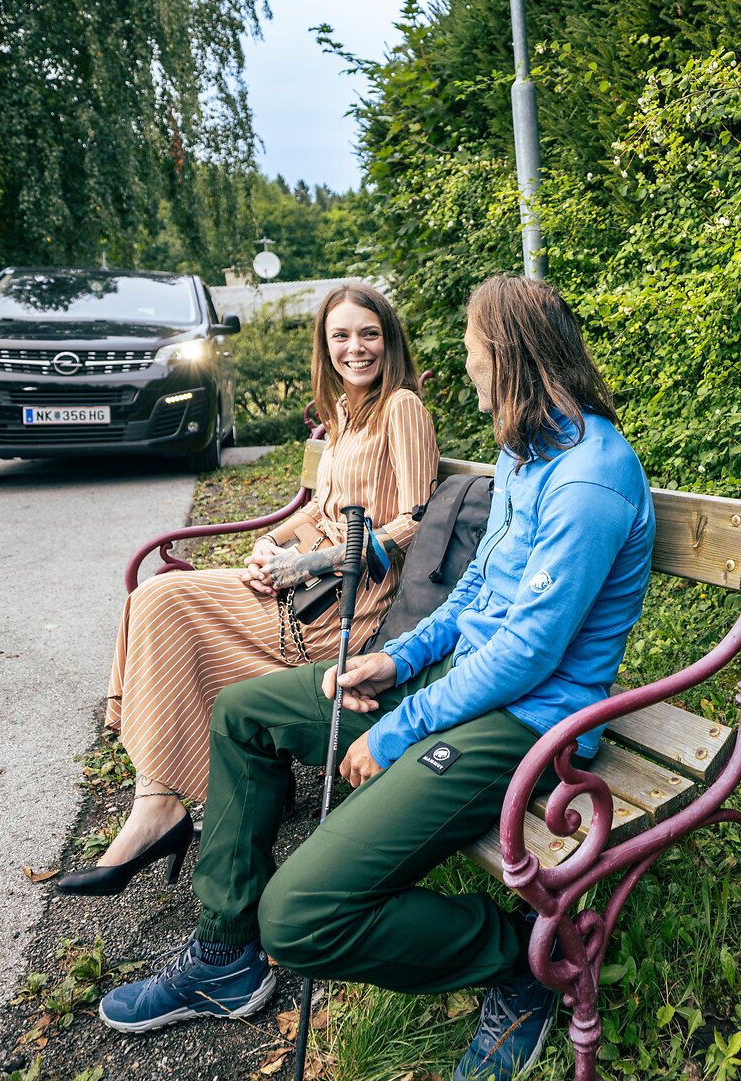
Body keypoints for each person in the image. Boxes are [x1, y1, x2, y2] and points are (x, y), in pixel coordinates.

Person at [97, 275, 656, 1081]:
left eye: (472, 355)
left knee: (300, 915)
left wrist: (400, 726)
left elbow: (529, 653)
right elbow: (476, 597)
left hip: (529, 724)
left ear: (509, 358)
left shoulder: (589, 479)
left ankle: (528, 962)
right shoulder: (527, 452)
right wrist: (398, 659)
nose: (466, 371)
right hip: (462, 684)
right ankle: (224, 954)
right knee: (243, 711)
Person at [54, 282, 439, 896]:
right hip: (303, 579)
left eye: (368, 333)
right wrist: (274, 544)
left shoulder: (402, 408)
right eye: (340, 336)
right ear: (324, 345)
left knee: (165, 602)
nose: (355, 348)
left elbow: (417, 520)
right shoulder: (340, 412)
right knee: (152, 598)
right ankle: (159, 802)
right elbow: (318, 506)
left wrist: (312, 563)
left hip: (344, 598)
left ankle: (164, 808)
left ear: (389, 339)